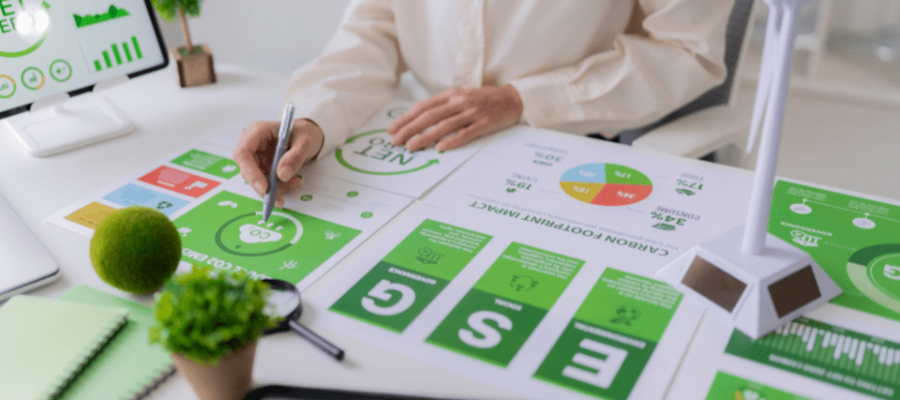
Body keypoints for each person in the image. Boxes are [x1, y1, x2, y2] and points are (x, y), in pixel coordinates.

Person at [234, 0, 733, 207]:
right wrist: (313, 118)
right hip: (427, 145)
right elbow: (378, 24)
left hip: (565, 141)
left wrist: (521, 99)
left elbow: (689, 51)